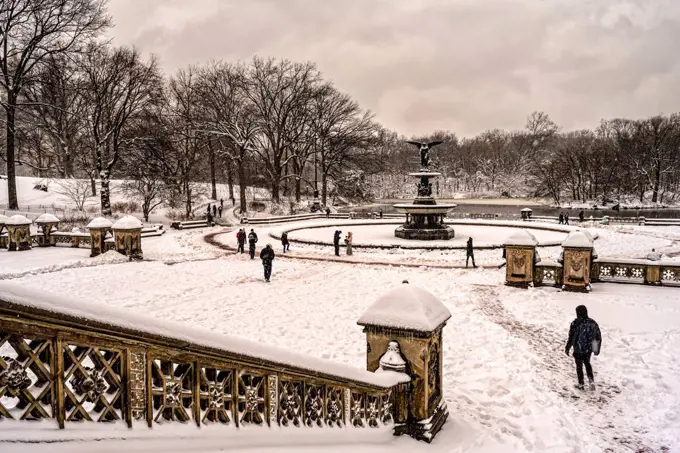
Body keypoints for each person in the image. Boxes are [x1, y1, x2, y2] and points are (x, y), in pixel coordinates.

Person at [565, 305, 601, 391]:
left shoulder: (575, 323)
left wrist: (568, 347)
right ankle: (591, 381)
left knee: (579, 365)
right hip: (588, 349)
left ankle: (581, 384)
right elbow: (597, 337)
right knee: (587, 363)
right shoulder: (593, 323)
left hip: (578, 348)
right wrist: (595, 349)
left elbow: (571, 337)